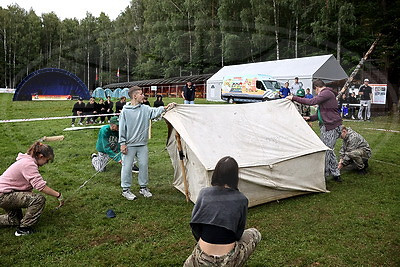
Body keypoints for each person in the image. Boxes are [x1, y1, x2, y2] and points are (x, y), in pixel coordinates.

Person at [184, 156, 261, 266]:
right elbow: (238, 234)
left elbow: (195, 226)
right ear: (235, 177)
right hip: (228, 260)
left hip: (201, 257)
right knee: (255, 233)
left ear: (216, 173)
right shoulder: (242, 199)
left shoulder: (204, 193)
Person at [119, 86, 176, 200]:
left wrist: (166, 107)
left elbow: (155, 111)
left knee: (144, 166)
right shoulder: (125, 111)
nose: (143, 95)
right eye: (141, 94)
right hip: (129, 145)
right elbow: (122, 128)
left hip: (142, 144)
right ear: (134, 96)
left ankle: (143, 187)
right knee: (127, 167)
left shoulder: (145, 108)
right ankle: (126, 190)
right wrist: (122, 143)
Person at [0, 142, 64, 236]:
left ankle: (18, 224)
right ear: (41, 156)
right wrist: (58, 195)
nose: (46, 163)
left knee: (15, 220)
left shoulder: (27, 161)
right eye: (47, 160)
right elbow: (40, 186)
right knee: (38, 199)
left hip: (5, 193)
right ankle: (23, 230)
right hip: (3, 196)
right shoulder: (28, 164)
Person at [287, 79, 343, 182]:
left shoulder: (326, 93)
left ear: (316, 88)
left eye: (315, 91)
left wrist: (294, 98)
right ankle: (335, 173)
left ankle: (324, 175)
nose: (316, 93)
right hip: (328, 126)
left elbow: (311, 102)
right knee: (328, 150)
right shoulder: (327, 94)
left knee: (326, 151)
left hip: (331, 126)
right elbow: (323, 113)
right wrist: (310, 118)